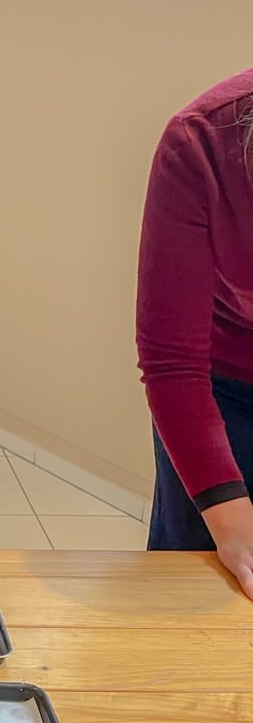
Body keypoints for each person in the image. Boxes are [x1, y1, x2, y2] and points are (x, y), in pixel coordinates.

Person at [137, 68, 253, 598]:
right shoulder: (201, 144)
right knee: (198, 594)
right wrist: (230, 520)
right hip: (222, 395)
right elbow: (172, 364)